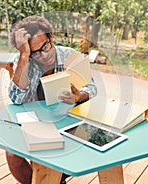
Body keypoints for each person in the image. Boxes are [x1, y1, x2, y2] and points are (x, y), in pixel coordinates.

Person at [6, 15, 97, 184]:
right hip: (35, 122)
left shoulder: (70, 56)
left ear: (51, 37)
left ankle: (54, 180)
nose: (44, 55)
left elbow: (92, 88)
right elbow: (16, 98)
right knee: (12, 154)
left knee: (77, 146)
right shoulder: (23, 60)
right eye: (35, 52)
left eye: (46, 46)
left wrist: (79, 96)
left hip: (67, 120)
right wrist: (25, 56)